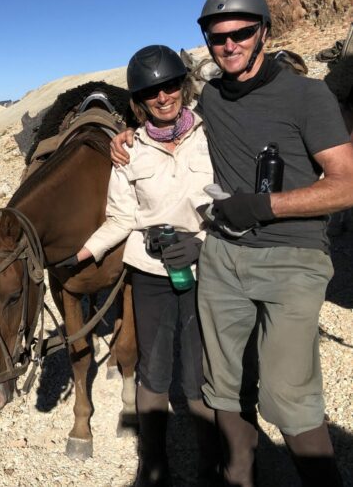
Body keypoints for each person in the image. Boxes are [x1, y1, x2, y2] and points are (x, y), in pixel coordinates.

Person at [111, 0, 353, 487]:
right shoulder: (213, 99)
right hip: (222, 254)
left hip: (292, 254)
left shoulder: (307, 95)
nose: (229, 45)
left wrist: (265, 206)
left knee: (287, 393)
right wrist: (126, 134)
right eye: (218, 37)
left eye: (241, 33)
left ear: (264, 31)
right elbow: (168, 121)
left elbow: (346, 184)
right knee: (222, 387)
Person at [61, 45, 219, 487]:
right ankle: (152, 464)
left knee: (197, 370)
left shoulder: (212, 134)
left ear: (183, 87)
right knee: (154, 370)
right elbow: (121, 218)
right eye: (151, 91)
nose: (162, 97)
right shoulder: (130, 151)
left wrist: (202, 242)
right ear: (139, 101)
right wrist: (81, 255)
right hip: (150, 272)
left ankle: (210, 466)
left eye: (170, 86)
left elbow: (231, 200)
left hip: (205, 266)